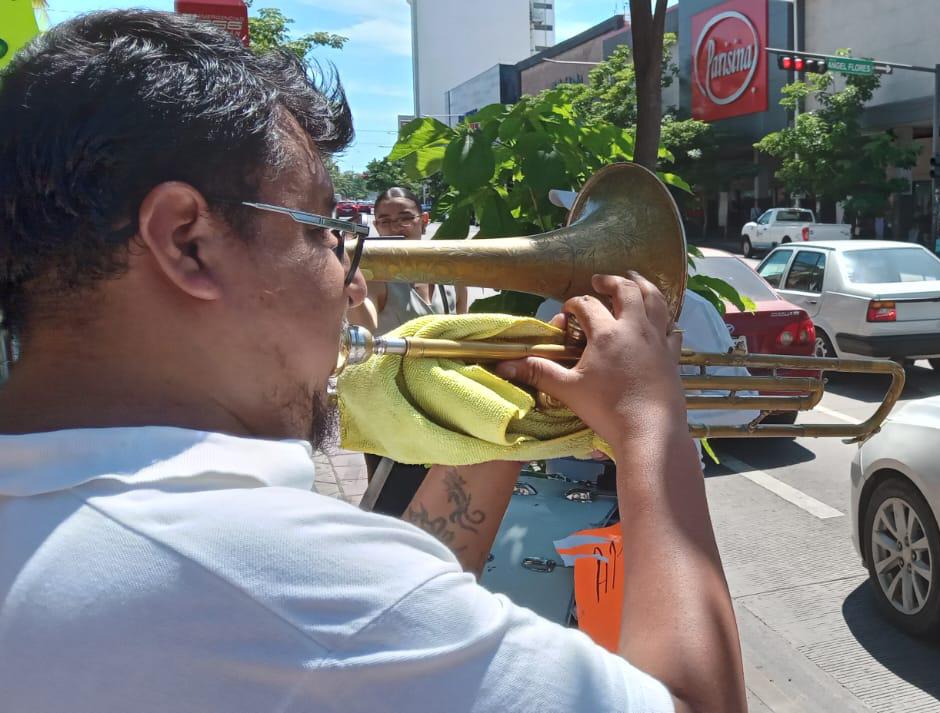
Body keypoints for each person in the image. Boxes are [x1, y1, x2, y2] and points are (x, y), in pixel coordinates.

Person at [0, 11, 741, 712]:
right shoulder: (290, 581)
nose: (352, 279)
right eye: (327, 231)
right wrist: (653, 424)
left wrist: (501, 424)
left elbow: (402, 619)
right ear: (187, 240)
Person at [350, 187, 470, 516]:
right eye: (385, 221)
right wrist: (352, 296)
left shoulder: (450, 271)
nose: (396, 227)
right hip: (389, 401)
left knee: (436, 491)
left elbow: (462, 326)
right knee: (391, 496)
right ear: (376, 226)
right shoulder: (376, 275)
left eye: (405, 218)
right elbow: (366, 326)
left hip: (439, 398)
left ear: (424, 220)